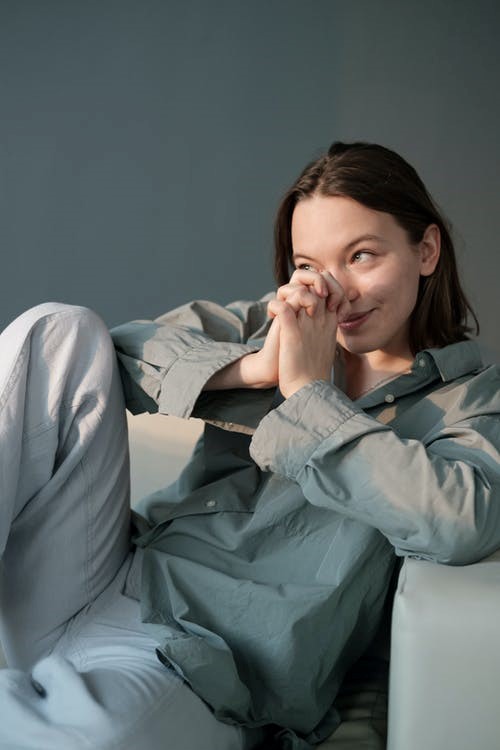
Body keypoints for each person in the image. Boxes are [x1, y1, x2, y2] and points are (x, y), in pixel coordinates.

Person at [0, 141, 498, 750]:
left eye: (362, 255)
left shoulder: (472, 401)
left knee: (79, 740)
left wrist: (310, 393)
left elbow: (459, 521)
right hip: (104, 577)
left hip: (205, 661)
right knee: (59, 328)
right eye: (309, 265)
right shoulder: (272, 325)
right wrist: (257, 369)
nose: (335, 292)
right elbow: (112, 353)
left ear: (426, 250)